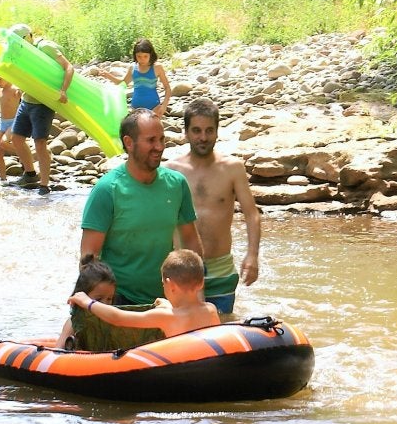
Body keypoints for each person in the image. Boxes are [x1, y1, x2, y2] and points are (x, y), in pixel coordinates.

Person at [79, 109, 204, 306]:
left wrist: (195, 297)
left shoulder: (177, 184)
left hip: (166, 299)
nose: (159, 147)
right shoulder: (107, 189)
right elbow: (89, 257)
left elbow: (190, 241)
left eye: (161, 139)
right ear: (129, 143)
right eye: (151, 140)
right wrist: (92, 308)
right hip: (119, 301)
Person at [165, 96, 261, 314]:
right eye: (196, 131)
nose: (203, 137)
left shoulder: (232, 168)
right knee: (183, 328)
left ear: (217, 132)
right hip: (182, 268)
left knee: (222, 324)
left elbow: (251, 214)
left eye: (209, 130)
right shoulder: (171, 171)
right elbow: (160, 220)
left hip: (221, 268)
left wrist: (252, 255)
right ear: (186, 133)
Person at [70, 249, 219, 339]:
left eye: (163, 284)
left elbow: (118, 318)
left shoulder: (164, 317)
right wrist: (167, 305)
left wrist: (87, 302)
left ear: (170, 285)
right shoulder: (210, 310)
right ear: (201, 283)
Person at [7, 23, 72, 195]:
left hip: (43, 102)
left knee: (40, 143)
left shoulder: (45, 47)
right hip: (27, 100)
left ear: (28, 37)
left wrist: (63, 90)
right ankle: (30, 174)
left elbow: (68, 68)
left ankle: (44, 185)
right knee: (17, 138)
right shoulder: (22, 53)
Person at [104, 38, 171, 117]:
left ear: (151, 54)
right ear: (135, 55)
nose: (142, 59)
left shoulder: (157, 68)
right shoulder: (132, 68)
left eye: (145, 56)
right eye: (139, 56)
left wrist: (164, 106)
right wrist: (108, 75)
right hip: (135, 107)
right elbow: (123, 83)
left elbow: (167, 88)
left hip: (154, 107)